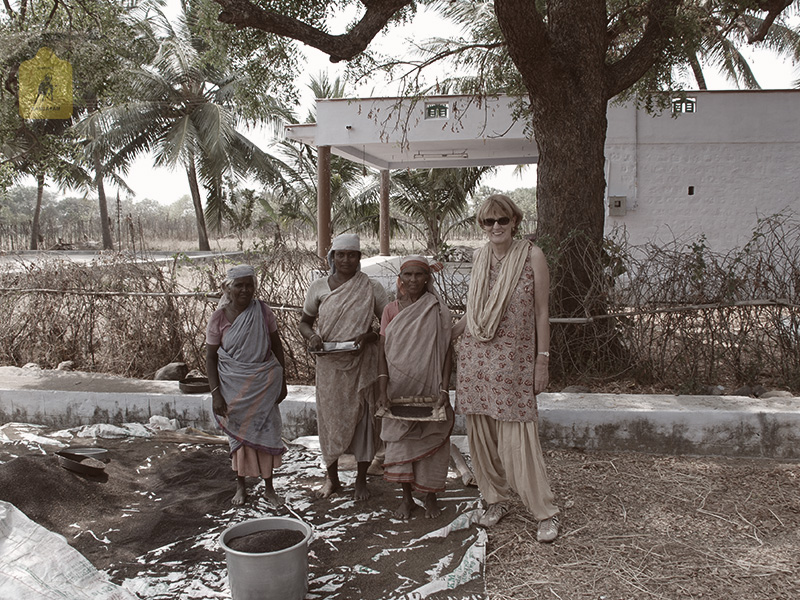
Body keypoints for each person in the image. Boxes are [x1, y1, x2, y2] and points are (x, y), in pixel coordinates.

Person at [453, 194, 560, 543]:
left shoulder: (532, 256)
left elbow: (542, 312)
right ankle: (495, 499)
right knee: (481, 435)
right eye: (488, 222)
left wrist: (542, 361)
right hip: (476, 360)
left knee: (519, 438)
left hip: (514, 361)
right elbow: (473, 312)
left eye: (503, 220)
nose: (496, 227)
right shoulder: (480, 256)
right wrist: (437, 328)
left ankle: (543, 511)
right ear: (481, 226)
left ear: (515, 221)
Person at [298, 234, 389, 500]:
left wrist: (368, 337)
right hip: (328, 366)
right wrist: (312, 337)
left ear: (359, 258)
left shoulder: (371, 287)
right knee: (329, 421)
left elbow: (387, 325)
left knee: (363, 419)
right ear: (332, 257)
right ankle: (332, 478)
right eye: (341, 255)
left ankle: (361, 480)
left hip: (361, 364)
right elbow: (305, 322)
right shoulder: (318, 287)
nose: (346, 260)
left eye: (352, 255)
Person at [377, 255, 455, 520]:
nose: (413, 280)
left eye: (418, 275)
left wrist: (444, 390)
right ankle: (407, 498)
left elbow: (446, 352)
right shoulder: (390, 310)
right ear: (400, 280)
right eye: (407, 275)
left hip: (431, 386)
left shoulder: (437, 309)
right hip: (399, 388)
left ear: (427, 279)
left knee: (432, 438)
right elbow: (382, 351)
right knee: (399, 443)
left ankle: (431, 496)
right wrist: (382, 388)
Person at [206, 264, 288, 507]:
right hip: (233, 387)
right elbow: (210, 357)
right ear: (227, 289)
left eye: (249, 285)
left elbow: (277, 346)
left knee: (267, 432)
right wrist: (215, 394)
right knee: (239, 439)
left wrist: (282, 382)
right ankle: (240, 485)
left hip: (264, 384)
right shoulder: (218, 318)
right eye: (238, 285)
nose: (245, 290)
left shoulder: (262, 311)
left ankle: (269, 488)